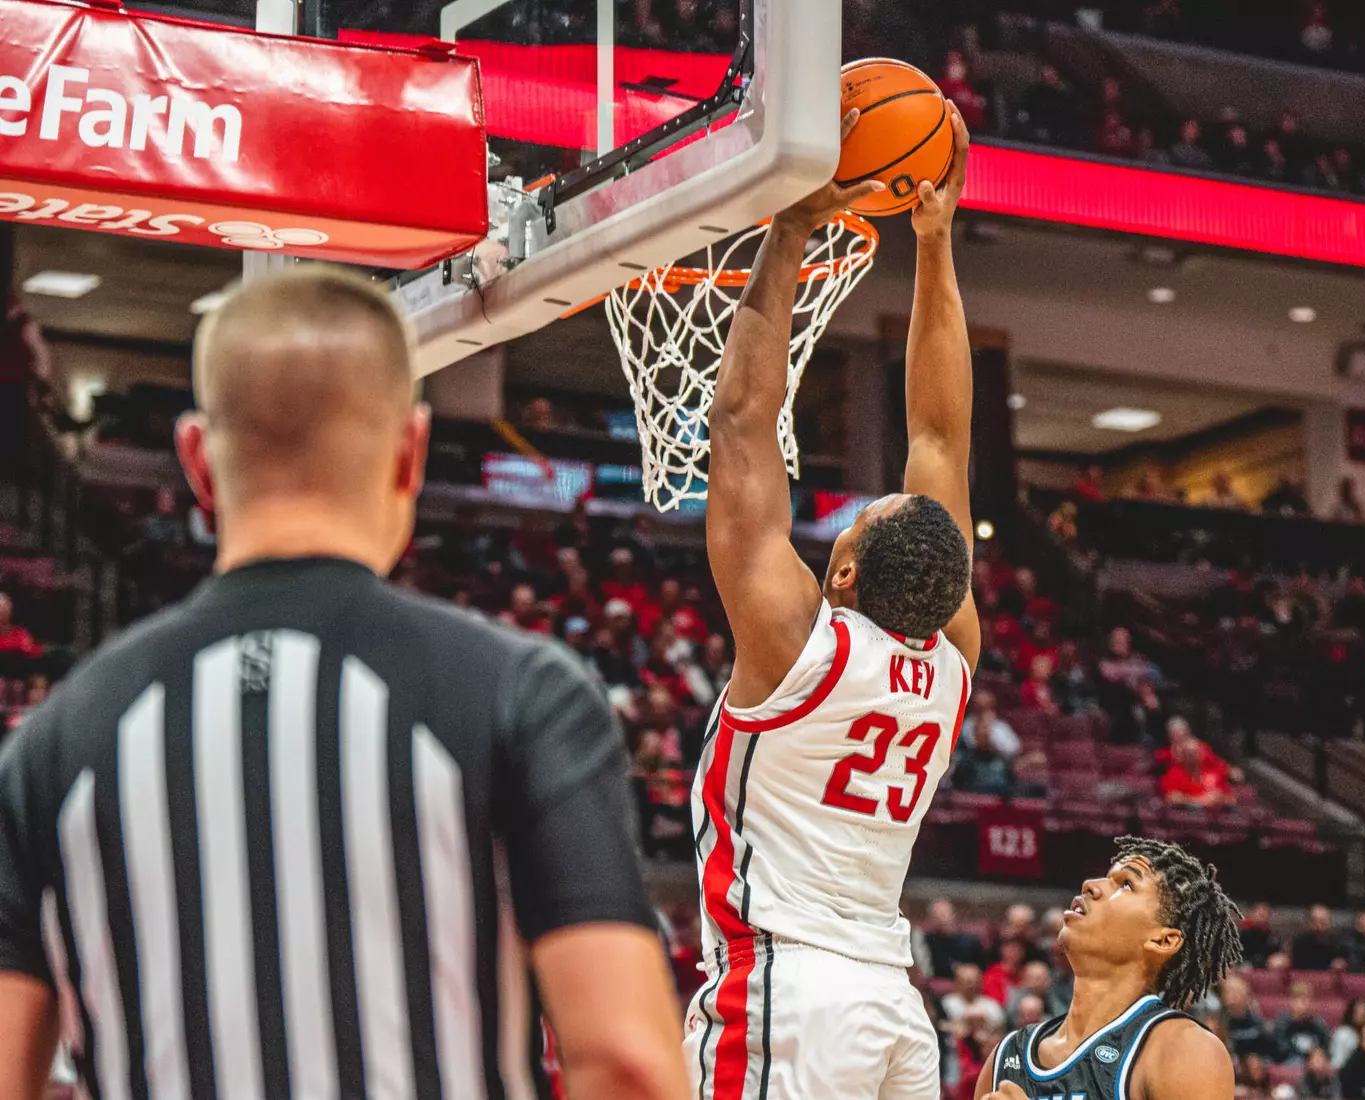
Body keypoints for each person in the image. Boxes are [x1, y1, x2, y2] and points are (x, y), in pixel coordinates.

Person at [0, 269, 690, 1100]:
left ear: (196, 458)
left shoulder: (54, 740)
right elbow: (625, 1062)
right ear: (411, 449)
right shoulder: (523, 692)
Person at [689, 106, 978, 1100]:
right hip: (891, 1003)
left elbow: (739, 422)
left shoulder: (792, 643)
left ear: (842, 575)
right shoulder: (952, 664)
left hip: (787, 991)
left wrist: (793, 226)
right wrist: (934, 245)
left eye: (849, 526)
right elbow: (941, 441)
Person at [977, 836, 1242, 1100]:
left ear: (1163, 940)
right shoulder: (1006, 1056)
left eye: (1127, 884)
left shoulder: (1185, 1050)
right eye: (1105, 877)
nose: (1090, 885)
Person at [1275, 979, 1334, 1064]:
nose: (1307, 1003)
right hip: (1291, 1062)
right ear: (1291, 1002)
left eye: (1309, 999)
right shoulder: (1283, 1023)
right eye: (1302, 1000)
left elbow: (1326, 1049)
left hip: (1315, 1064)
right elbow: (1281, 1051)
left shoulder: (1319, 1024)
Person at [1294, 905, 1347, 971]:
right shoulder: (1299, 943)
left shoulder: (1339, 944)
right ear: (1308, 923)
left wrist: (1341, 964)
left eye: (1322, 922)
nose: (1318, 926)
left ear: (1330, 922)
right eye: (1314, 921)